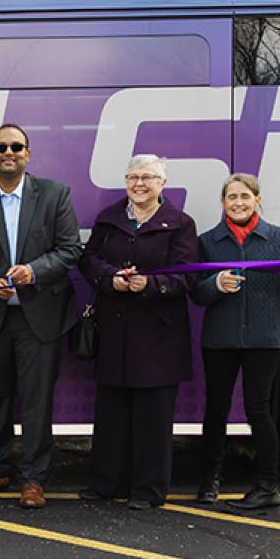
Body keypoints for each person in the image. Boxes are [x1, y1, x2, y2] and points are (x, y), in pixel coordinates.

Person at [0, 123, 81, 509]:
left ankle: (34, 478)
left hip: (40, 316)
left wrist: (34, 270)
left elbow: (70, 249)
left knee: (37, 400)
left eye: (16, 146)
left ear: (28, 153)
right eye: (0, 147)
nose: (9, 152)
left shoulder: (55, 194)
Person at [78, 154, 198, 510]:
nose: (139, 184)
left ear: (162, 183)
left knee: (153, 418)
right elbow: (88, 259)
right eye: (133, 177)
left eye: (147, 177)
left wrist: (151, 284)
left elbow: (187, 273)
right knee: (111, 415)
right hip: (114, 330)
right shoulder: (109, 218)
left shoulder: (180, 223)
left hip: (159, 336)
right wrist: (109, 277)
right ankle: (105, 485)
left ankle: (148, 490)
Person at [191, 173, 280, 510]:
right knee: (215, 408)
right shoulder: (208, 242)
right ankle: (209, 482)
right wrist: (215, 283)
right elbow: (197, 294)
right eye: (232, 197)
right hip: (221, 339)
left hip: (265, 339)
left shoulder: (279, 238)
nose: (238, 203)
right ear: (222, 203)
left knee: (258, 409)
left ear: (258, 199)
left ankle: (267, 485)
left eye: (245, 196)